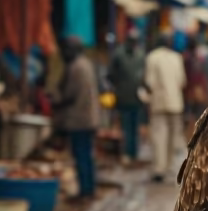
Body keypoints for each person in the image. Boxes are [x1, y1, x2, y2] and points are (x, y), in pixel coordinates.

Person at [53, 36, 98, 198]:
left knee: (81, 155)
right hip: (88, 118)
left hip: (79, 120)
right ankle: (89, 187)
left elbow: (69, 94)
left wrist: (56, 101)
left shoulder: (76, 67)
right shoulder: (85, 64)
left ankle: (86, 189)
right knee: (86, 154)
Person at [144, 35, 187, 183]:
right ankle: (168, 166)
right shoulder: (177, 58)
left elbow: (150, 82)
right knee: (172, 137)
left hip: (159, 102)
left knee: (159, 136)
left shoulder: (152, 57)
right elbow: (182, 81)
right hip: (176, 102)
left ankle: (159, 169)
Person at [107, 36, 146, 165]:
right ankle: (127, 153)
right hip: (125, 97)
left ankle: (132, 153)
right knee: (126, 127)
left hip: (135, 97)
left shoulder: (140, 55)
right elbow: (111, 75)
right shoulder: (119, 54)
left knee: (132, 127)